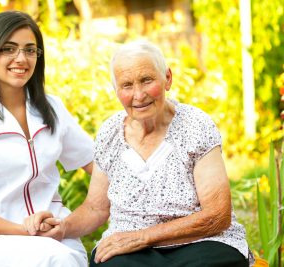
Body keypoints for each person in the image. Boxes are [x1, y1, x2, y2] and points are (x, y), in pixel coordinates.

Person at [24, 40, 255, 267]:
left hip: (201, 243)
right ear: (116, 91)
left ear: (167, 78)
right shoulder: (110, 133)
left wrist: (142, 237)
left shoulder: (195, 125)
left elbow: (217, 216)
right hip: (131, 251)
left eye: (147, 80)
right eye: (127, 85)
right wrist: (62, 226)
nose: (139, 94)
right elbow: (96, 208)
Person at [0, 11, 93, 267]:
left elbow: (99, 167)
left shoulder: (52, 109)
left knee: (66, 258)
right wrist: (26, 230)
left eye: (30, 50)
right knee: (56, 260)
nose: (21, 58)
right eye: (8, 49)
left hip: (56, 232)